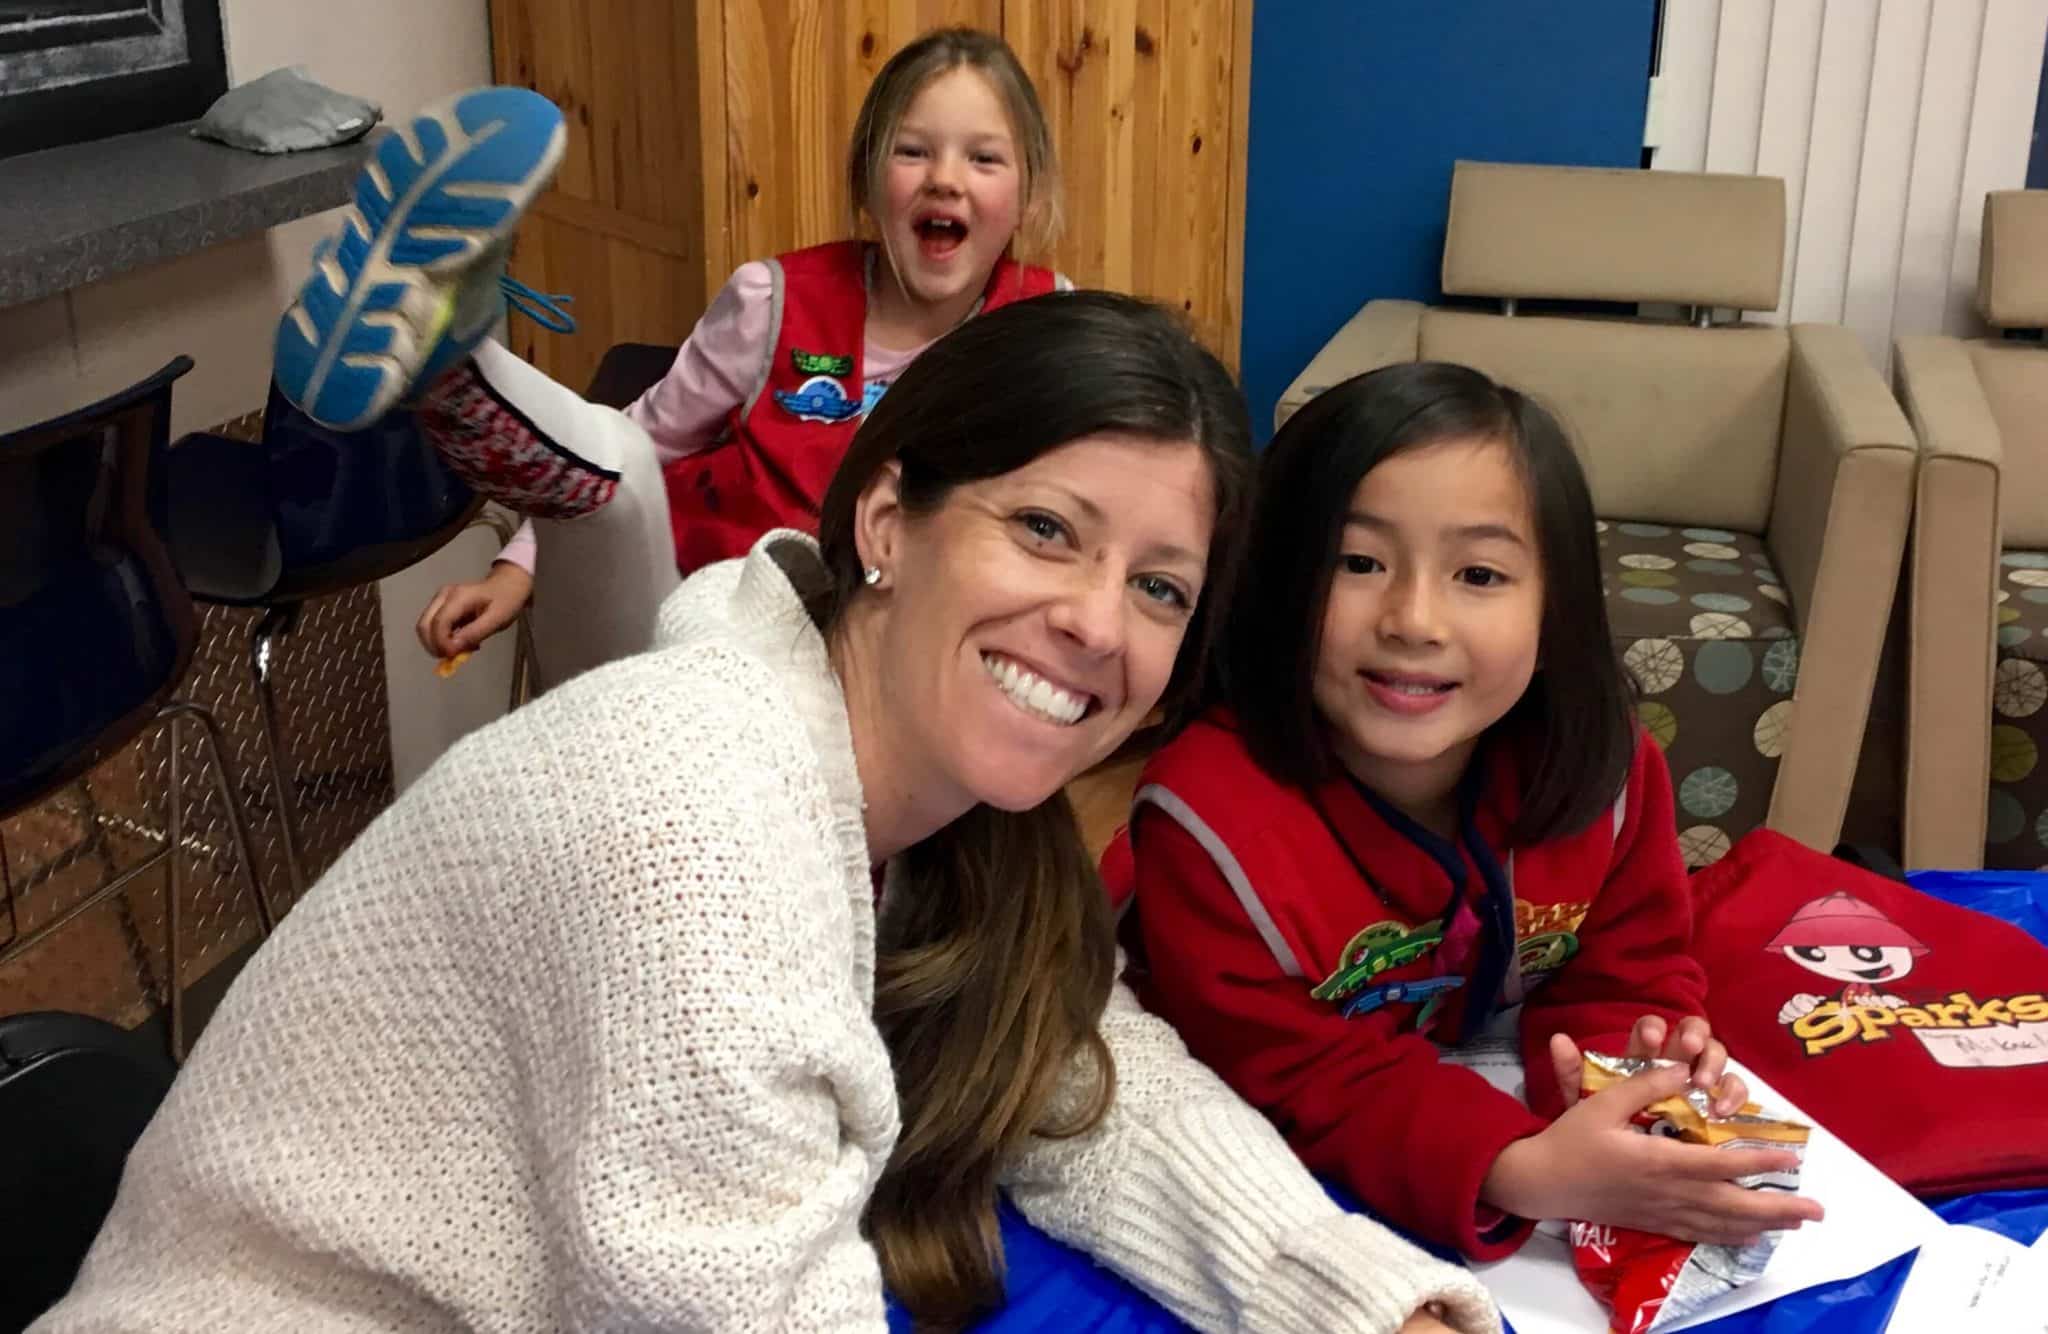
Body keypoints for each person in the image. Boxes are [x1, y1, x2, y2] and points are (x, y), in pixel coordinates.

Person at [32, 208, 1492, 1328]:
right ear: (889, 519)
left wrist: (1371, 1300)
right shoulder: (705, 822)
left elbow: (1082, 1080)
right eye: (1047, 530)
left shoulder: (938, 812)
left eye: (1161, 587)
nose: (1099, 624)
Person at [1109, 363, 1825, 1262]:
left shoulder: (1603, 770)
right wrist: (1518, 1166)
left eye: (1479, 574)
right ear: (1272, 583)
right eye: (1358, 562)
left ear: (1555, 611)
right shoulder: (1207, 824)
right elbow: (1295, 1077)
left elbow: (1624, 974)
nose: (1414, 620)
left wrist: (1625, 1084)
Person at [408, 27, 1072, 672]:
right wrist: (518, 567)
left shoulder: (1051, 330)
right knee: (622, 468)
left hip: (895, 660)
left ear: (1028, 194)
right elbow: (646, 436)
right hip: (714, 628)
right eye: (913, 151)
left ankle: (440, 346)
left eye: (984, 159)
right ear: (867, 182)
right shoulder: (771, 302)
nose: (946, 179)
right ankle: (437, 337)